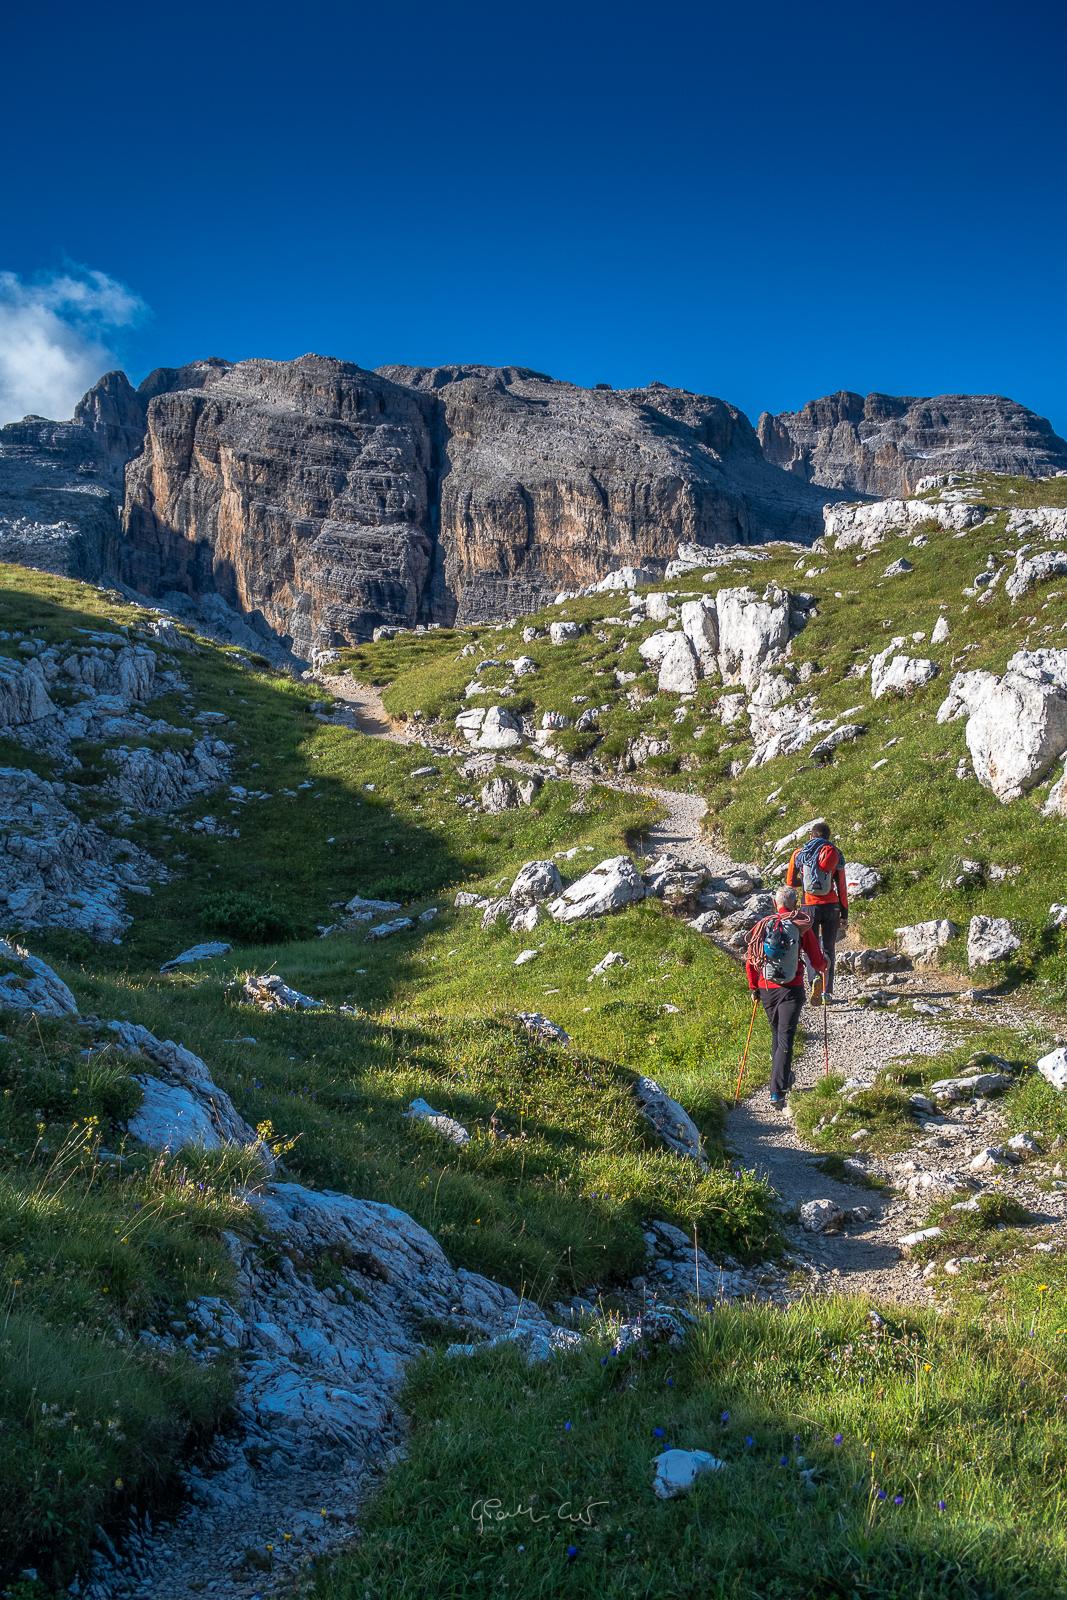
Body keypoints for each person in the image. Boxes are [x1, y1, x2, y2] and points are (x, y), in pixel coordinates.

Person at [745, 886, 828, 1105]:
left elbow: (751, 960)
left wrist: (754, 987)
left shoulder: (763, 926)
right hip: (791, 988)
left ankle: (784, 1077)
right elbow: (816, 960)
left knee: (777, 1034)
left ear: (775, 903)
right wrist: (824, 965)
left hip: (767, 989)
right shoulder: (800, 926)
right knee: (785, 1037)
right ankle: (777, 1091)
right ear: (795, 904)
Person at [785, 821, 848, 1003]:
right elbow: (842, 888)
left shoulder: (800, 853)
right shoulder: (835, 854)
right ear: (828, 837)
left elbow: (790, 881)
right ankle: (827, 992)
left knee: (809, 947)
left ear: (811, 836)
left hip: (809, 907)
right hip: (832, 907)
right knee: (829, 948)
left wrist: (804, 883)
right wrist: (844, 914)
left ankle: (814, 979)